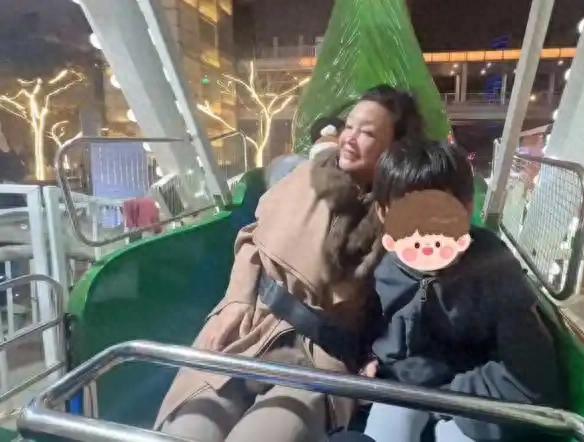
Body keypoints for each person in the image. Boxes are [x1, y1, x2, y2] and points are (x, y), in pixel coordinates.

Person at [155, 85, 425, 442]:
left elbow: (400, 300)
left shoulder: (399, 216)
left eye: (368, 133)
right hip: (250, 324)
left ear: (394, 148)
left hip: (320, 354)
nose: (350, 138)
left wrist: (375, 357)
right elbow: (252, 240)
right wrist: (236, 300)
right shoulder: (306, 178)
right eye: (349, 126)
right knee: (187, 431)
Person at [362, 139, 561, 442]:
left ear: (467, 209)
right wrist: (363, 360)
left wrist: (446, 394)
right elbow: (360, 331)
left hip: (473, 402)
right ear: (382, 213)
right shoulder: (376, 266)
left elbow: (532, 379)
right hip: (401, 389)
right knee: (387, 424)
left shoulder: (495, 270)